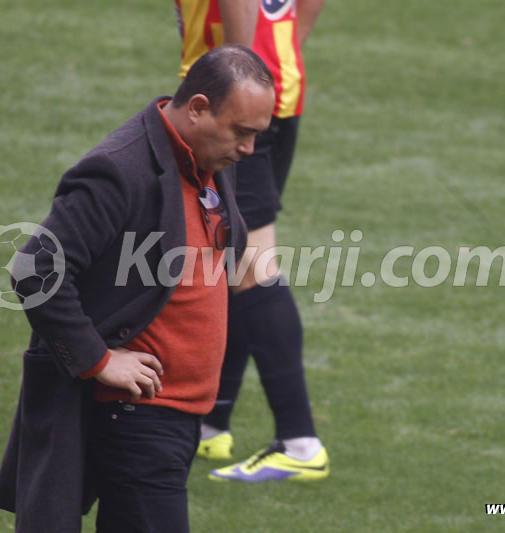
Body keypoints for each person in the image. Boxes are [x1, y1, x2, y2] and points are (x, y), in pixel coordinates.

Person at [0, 45, 275, 533]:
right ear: (199, 108)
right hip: (137, 415)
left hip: (182, 414)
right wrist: (99, 360)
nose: (248, 149)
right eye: (241, 132)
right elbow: (36, 268)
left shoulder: (205, 158)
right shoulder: (119, 171)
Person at [173, 0, 329, 482]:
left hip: (235, 103)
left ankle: (299, 443)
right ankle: (211, 423)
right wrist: (273, 66)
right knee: (235, 254)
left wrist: (240, 75)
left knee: (251, 265)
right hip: (277, 89)